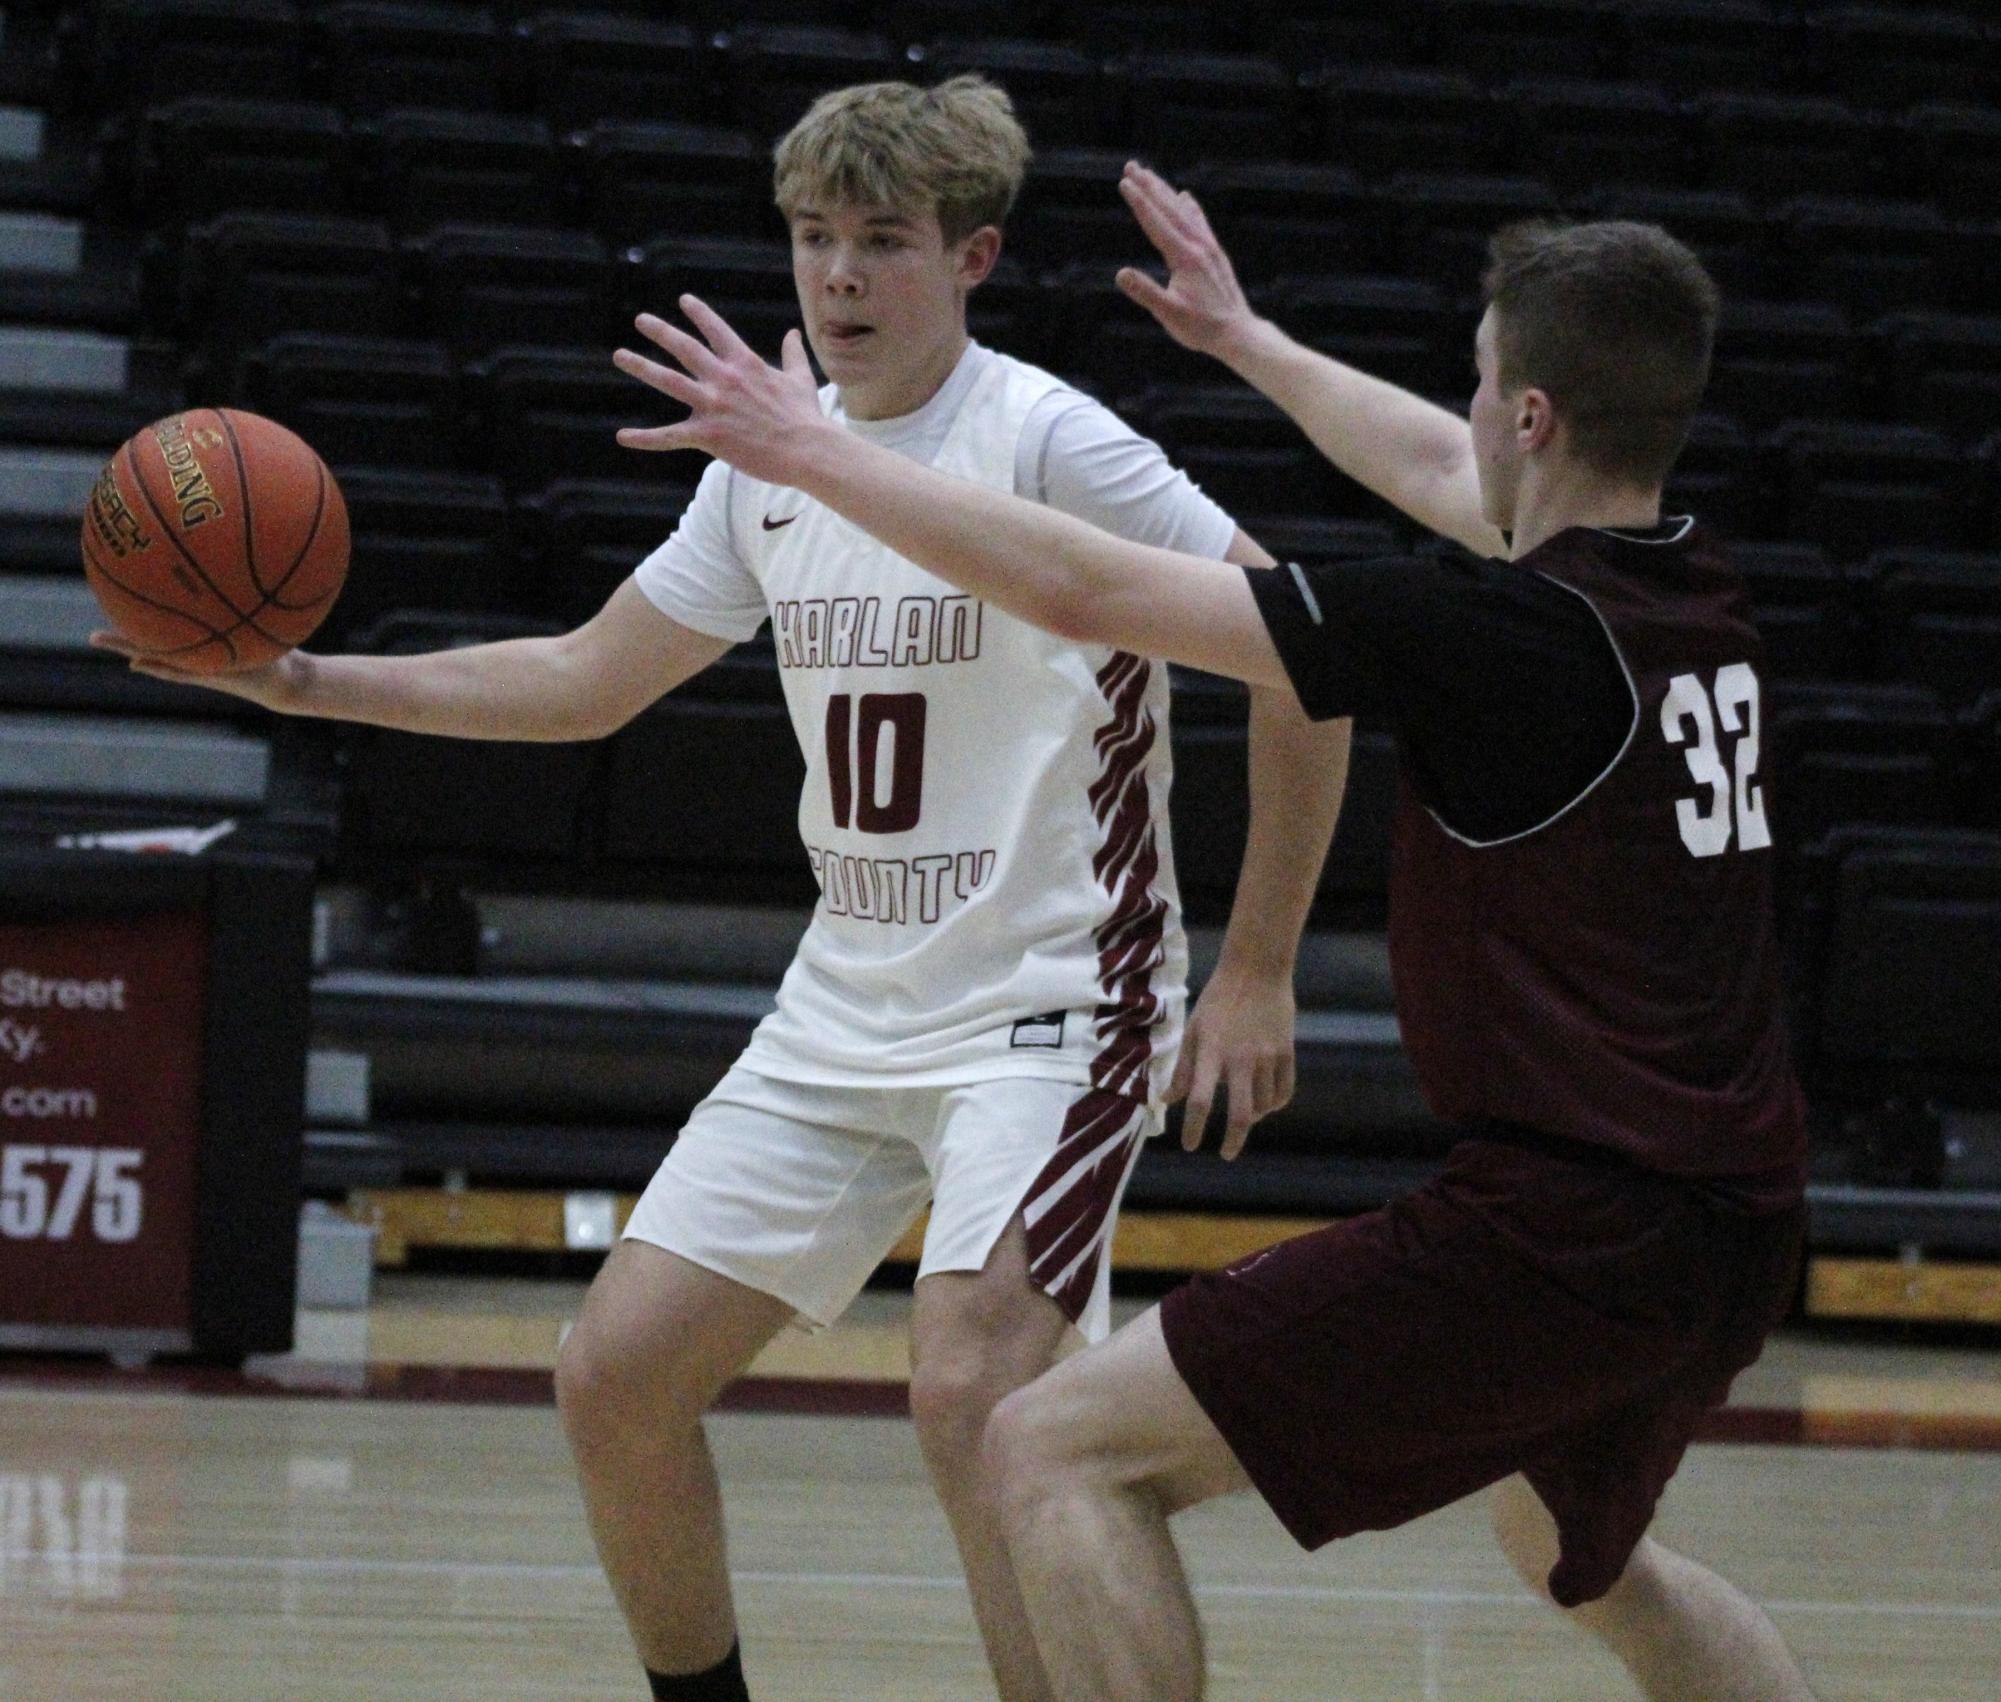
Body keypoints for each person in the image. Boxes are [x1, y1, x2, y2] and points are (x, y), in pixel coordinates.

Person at [97, 95, 1349, 1702]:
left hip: (1053, 1005)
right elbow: (586, 680)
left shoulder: (1048, 440)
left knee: (975, 1395)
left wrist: (1255, 971)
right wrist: (312, 679)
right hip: (846, 1001)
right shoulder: (766, 465)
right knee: (611, 1378)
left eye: (881, 241)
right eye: (813, 239)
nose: (838, 277)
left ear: (968, 257)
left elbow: (1309, 661)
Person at [612, 160, 1823, 1701]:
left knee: (1048, 1445)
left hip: (1565, 1228)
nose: (1452, 417)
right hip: (1732, 1215)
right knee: (1581, 1560)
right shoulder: (1687, 587)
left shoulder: (1495, 638)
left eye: (1475, 385)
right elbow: (1447, 477)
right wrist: (1243, 340)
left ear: (1526, 415)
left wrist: (810, 452)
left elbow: (1075, 577)